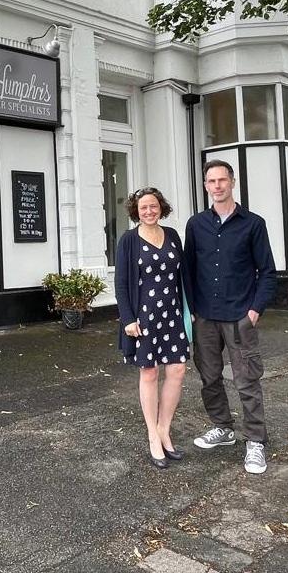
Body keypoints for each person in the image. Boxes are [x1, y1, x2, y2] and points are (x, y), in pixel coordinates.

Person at [183, 159, 277, 475]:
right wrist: (193, 309)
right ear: (206, 185)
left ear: (232, 182)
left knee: (246, 379)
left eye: (223, 180)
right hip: (205, 317)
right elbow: (189, 270)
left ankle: (255, 441)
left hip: (239, 316)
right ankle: (222, 428)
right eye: (212, 181)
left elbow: (267, 272)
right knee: (209, 377)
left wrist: (254, 310)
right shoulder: (196, 225)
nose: (217, 186)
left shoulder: (253, 223)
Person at [113, 187, 190, 469]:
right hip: (143, 317)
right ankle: (152, 435)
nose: (149, 211)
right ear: (136, 210)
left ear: (161, 208)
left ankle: (164, 429)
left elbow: (183, 276)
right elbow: (121, 283)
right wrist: (128, 319)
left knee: (177, 370)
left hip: (172, 313)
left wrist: (189, 311)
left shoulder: (172, 236)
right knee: (149, 372)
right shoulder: (128, 241)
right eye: (144, 207)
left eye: (154, 206)